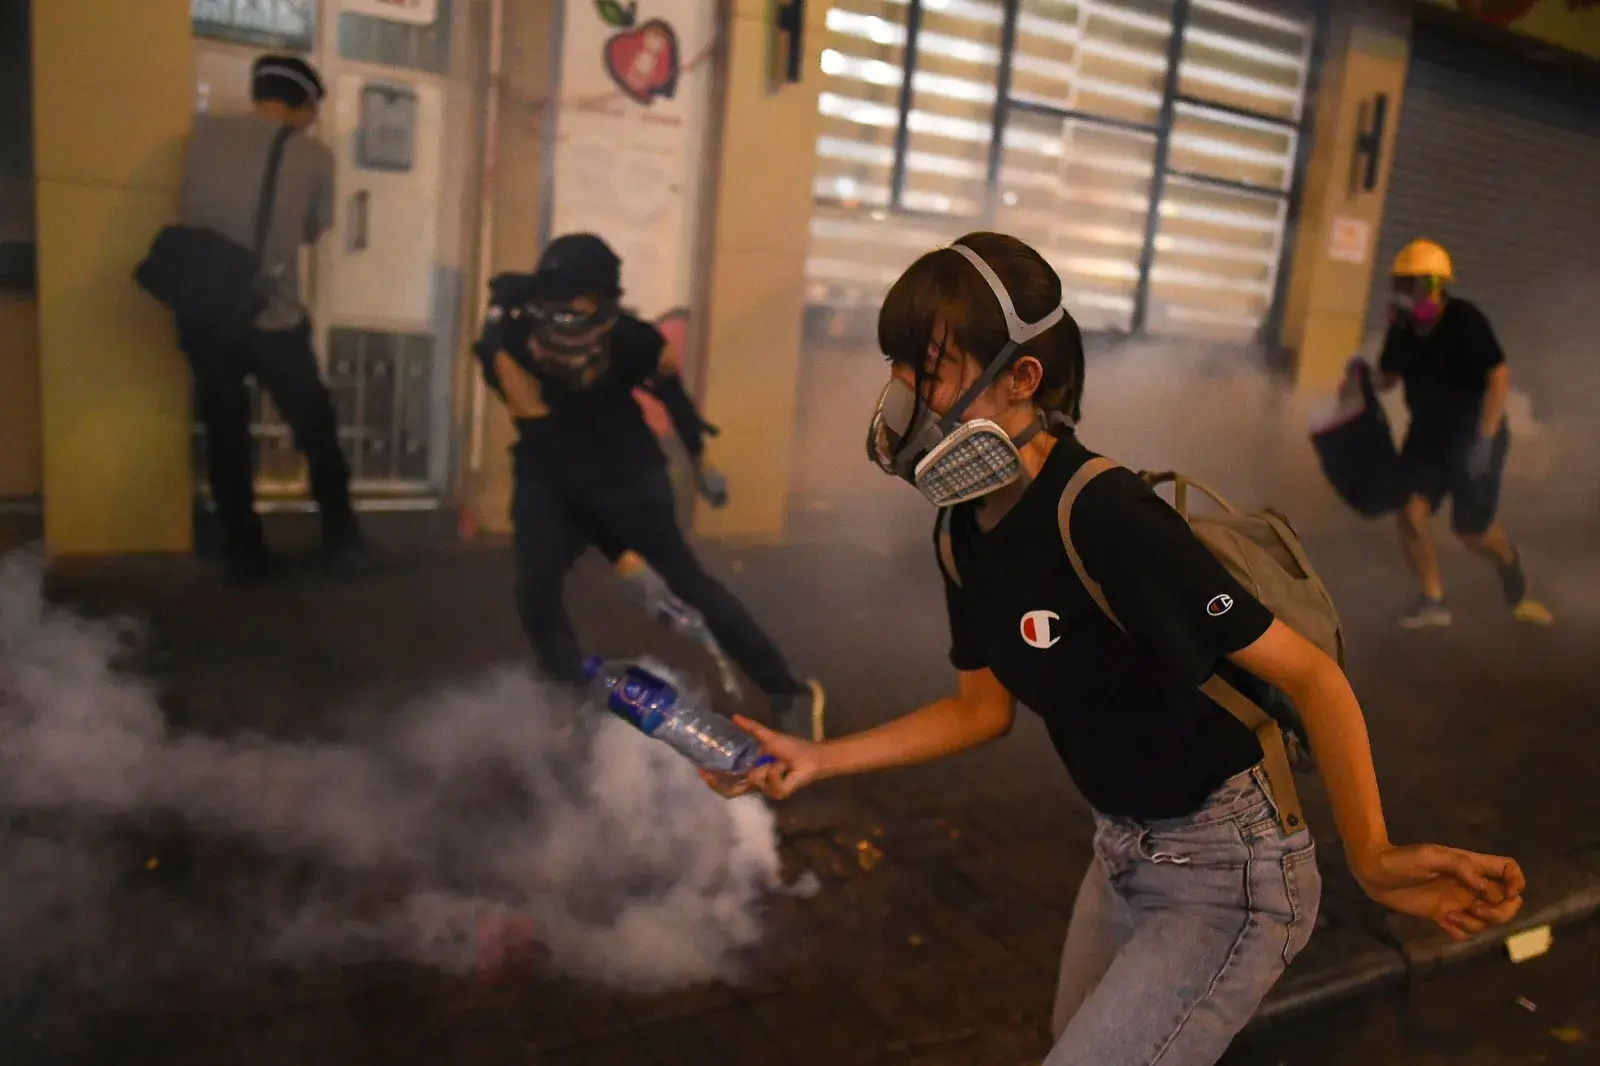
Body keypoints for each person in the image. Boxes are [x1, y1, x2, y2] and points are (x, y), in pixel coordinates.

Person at [703, 232, 1526, 1065]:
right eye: (899, 367)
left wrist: (1374, 856)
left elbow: (1312, 677)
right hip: (1121, 853)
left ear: (1022, 379)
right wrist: (818, 758)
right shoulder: (961, 529)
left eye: (931, 370)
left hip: (1231, 877)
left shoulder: (1105, 516)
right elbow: (981, 710)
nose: (901, 396)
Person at [473, 232, 825, 738]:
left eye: (586, 311)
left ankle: (787, 689)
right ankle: (567, 692)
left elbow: (674, 398)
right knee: (535, 586)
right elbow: (555, 454)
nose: (570, 326)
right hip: (551, 476)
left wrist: (701, 461)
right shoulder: (508, 348)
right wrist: (623, 556)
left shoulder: (633, 341)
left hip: (628, 472)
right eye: (560, 310)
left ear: (606, 307)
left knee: (689, 584)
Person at [179, 55, 371, 582]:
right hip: (272, 315)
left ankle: (244, 552)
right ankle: (341, 537)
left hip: (205, 312)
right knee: (314, 426)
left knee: (226, 430)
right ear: (305, 104)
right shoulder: (312, 156)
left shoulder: (201, 134)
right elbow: (312, 230)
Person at [1376, 238, 1552, 629]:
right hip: (1426, 437)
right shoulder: (1402, 329)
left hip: (1473, 435)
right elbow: (1387, 379)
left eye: (1417, 285)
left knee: (1470, 531)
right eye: (1403, 284)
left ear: (1438, 287)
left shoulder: (1465, 321)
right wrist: (1362, 380)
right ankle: (1432, 600)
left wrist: (1485, 441)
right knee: (1410, 511)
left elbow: (1498, 378)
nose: (1408, 294)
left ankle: (1511, 566)